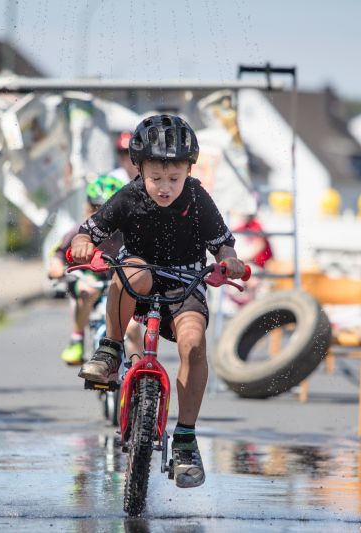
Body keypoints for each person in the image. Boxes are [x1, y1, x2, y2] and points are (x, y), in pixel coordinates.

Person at [70, 114, 246, 489]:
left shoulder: (198, 198)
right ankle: (110, 349)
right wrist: (83, 245)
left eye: (174, 178)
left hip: (186, 285)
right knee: (132, 269)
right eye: (156, 178)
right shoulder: (130, 196)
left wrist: (229, 261)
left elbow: (224, 245)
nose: (165, 187)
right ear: (139, 169)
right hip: (141, 285)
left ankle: (185, 438)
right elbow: (87, 232)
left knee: (194, 343)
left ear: (188, 171)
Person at [48, 174, 141, 365]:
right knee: (87, 291)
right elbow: (59, 253)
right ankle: (76, 338)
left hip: (121, 283)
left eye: (111, 211)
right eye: (97, 209)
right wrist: (56, 266)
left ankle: (139, 373)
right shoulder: (81, 230)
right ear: (88, 209)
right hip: (91, 280)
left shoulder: (130, 231)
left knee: (132, 328)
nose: (104, 216)